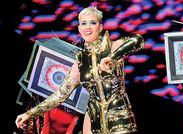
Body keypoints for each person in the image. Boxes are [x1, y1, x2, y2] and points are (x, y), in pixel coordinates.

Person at [15, 6, 144, 134]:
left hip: (119, 117)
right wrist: (30, 113)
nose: (88, 27)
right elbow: (60, 94)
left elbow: (138, 40)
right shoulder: (80, 62)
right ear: (79, 29)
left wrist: (112, 58)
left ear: (100, 27)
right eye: (83, 23)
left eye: (93, 23)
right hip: (95, 122)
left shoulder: (112, 47)